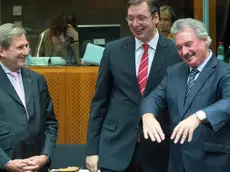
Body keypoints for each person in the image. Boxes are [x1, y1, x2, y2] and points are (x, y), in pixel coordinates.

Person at [85, 0, 181, 172]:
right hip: (115, 147)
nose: (135, 24)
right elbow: (100, 102)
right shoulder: (113, 50)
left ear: (156, 18)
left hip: (159, 149)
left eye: (141, 18)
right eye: (130, 19)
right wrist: (92, 150)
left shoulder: (175, 52)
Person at [140, 18, 230, 172]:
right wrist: (147, 115)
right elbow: (153, 98)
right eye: (179, 47)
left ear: (205, 41)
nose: (184, 52)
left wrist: (199, 116)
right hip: (177, 163)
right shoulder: (174, 72)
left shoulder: (224, 71)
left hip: (212, 163)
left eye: (188, 44)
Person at [0, 23, 58, 172]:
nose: (26, 52)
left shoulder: (37, 80)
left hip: (37, 167)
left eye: (27, 46)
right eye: (20, 47)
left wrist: (45, 156)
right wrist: (6, 163)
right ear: (2, 51)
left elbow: (50, 123)